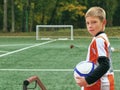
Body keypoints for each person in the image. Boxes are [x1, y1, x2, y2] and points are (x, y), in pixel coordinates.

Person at [74, 7, 114, 90]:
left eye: (94, 22)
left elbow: (105, 65)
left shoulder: (99, 40)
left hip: (99, 84)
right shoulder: (101, 37)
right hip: (103, 81)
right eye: (87, 23)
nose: (90, 26)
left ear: (103, 22)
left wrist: (87, 80)